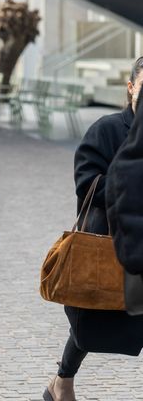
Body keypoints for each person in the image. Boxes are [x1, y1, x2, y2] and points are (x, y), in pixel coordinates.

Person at [43, 57, 143, 401]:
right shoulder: (107, 129)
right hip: (110, 242)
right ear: (130, 88)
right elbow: (86, 183)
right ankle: (62, 381)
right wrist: (130, 188)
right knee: (91, 319)